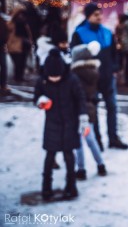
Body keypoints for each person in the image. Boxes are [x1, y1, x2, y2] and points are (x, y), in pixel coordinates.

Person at [70, 3, 128, 150]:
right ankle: (97, 140)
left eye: (100, 14)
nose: (99, 17)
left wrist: (116, 67)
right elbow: (75, 57)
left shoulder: (107, 32)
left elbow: (115, 53)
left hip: (108, 77)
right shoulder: (79, 33)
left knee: (112, 107)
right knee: (93, 109)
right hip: (90, 79)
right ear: (88, 16)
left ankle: (113, 138)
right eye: (95, 14)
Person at [34, 49, 88, 200]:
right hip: (52, 124)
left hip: (70, 123)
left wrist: (83, 117)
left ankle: (71, 187)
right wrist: (40, 102)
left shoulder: (72, 79)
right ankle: (46, 188)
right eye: (52, 76)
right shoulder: (42, 80)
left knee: (69, 156)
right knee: (50, 156)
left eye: (57, 76)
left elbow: (80, 99)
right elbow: (36, 97)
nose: (55, 79)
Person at [71, 42, 107, 180]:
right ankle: (101, 164)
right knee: (91, 139)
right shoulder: (93, 71)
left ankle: (81, 169)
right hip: (91, 109)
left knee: (79, 141)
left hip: (79, 110)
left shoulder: (75, 74)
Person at [6, 9, 32, 82]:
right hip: (14, 45)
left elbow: (28, 34)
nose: (21, 16)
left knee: (22, 62)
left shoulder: (25, 23)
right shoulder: (11, 23)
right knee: (18, 62)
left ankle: (20, 77)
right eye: (20, 14)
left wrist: (30, 42)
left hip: (24, 45)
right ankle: (17, 77)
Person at [0, 15, 9, 94]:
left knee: (4, 66)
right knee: (3, 66)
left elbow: (5, 34)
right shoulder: (2, 20)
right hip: (1, 47)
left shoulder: (2, 20)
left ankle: (3, 85)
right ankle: (3, 85)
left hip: (1, 47)